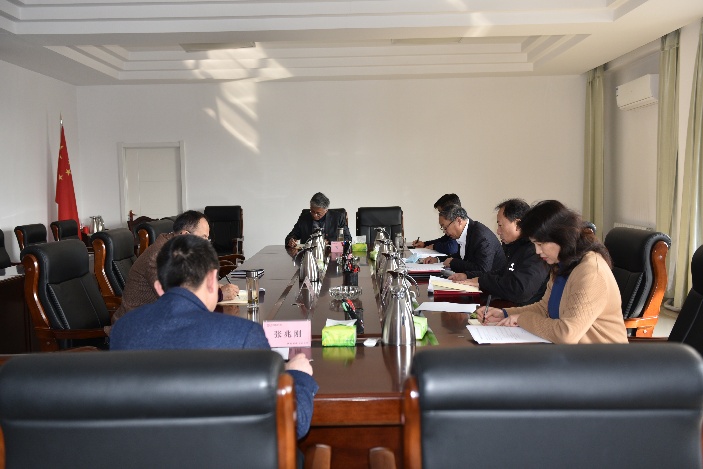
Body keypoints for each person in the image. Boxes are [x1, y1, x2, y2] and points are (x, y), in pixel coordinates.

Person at [110, 235, 318, 439]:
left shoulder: (123, 329)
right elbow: (292, 424)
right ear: (212, 280)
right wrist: (298, 375)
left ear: (159, 288)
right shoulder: (243, 335)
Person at [478, 200, 628, 344]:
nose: (537, 251)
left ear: (561, 238)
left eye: (540, 244)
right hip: (572, 354)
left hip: (601, 358)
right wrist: (504, 313)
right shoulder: (562, 264)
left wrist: (521, 319)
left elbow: (567, 334)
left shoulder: (590, 270)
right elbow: (544, 308)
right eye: (534, 244)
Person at [111, 210, 238, 325]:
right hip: (136, 328)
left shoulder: (180, 249)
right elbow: (176, 300)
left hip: (160, 320)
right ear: (185, 234)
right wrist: (219, 294)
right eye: (203, 238)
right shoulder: (159, 256)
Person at [452, 199, 549, 305]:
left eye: (500, 225)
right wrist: (468, 276)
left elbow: (520, 290)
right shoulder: (514, 246)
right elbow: (501, 273)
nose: (498, 231)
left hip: (523, 311)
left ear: (518, 224)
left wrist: (482, 282)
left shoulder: (535, 250)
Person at [421, 205, 506, 274]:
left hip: (491, 286)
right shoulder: (466, 232)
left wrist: (453, 262)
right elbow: (461, 256)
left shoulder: (481, 237)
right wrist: (438, 259)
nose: (445, 232)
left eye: (445, 227)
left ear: (458, 221)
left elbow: (482, 269)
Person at [285, 192, 351, 247]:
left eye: (318, 213)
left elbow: (348, 239)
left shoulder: (338, 217)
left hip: (331, 254)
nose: (314, 215)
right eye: (312, 211)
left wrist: (329, 241)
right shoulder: (304, 218)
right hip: (309, 254)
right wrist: (291, 240)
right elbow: (290, 236)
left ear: (326, 210)